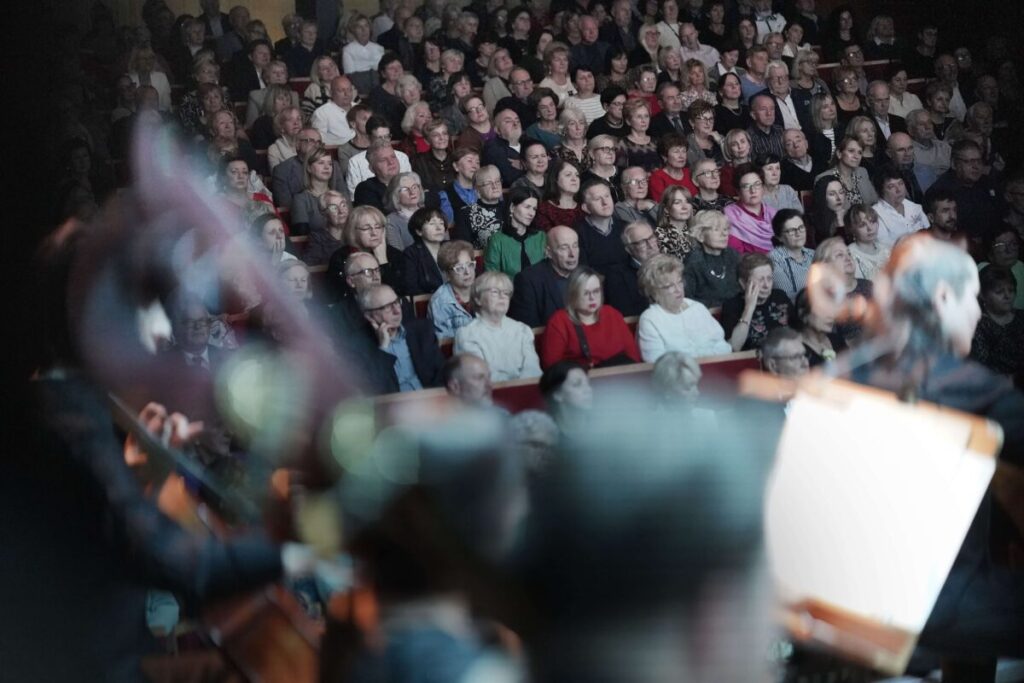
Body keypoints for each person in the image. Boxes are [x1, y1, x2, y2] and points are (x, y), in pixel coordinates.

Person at [843, 234, 1024, 676]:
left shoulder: (852, 381)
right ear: (943, 297)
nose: (980, 312)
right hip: (945, 614)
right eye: (974, 299)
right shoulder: (982, 397)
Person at [539, 266, 641, 368]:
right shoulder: (559, 321)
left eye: (596, 291)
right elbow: (551, 368)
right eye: (586, 293)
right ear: (573, 294)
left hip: (619, 378)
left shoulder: (612, 314)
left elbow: (633, 357)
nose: (592, 298)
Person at [636, 254, 731, 362]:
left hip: (714, 372)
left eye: (679, 282)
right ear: (653, 292)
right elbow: (656, 362)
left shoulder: (697, 308)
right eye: (669, 286)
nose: (678, 289)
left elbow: (724, 347)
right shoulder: (650, 319)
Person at [454, 271, 543, 381]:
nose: (502, 297)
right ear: (478, 299)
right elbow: (480, 378)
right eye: (495, 292)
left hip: (525, 393)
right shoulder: (467, 334)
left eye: (506, 293)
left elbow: (533, 372)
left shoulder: (522, 330)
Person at [358, 284, 444, 391]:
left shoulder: (422, 331)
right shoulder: (359, 347)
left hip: (429, 401)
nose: (397, 311)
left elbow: (441, 376)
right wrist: (383, 348)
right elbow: (376, 391)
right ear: (369, 316)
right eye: (388, 307)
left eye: (397, 302)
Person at [928, 139, 1006, 245]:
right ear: (954, 164)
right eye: (969, 161)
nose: (976, 166)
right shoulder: (939, 191)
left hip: (993, 245)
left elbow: (1001, 214)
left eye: (979, 161)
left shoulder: (988, 184)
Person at [510, 225, 580, 328]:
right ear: (549, 253)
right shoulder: (528, 280)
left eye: (575, 246)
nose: (572, 254)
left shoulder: (586, 275)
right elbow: (527, 330)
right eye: (564, 248)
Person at [721, 252, 793, 351]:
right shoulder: (732, 306)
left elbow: (800, 331)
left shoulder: (780, 296)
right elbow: (734, 347)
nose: (766, 285)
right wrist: (749, 308)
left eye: (769, 278)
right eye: (760, 280)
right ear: (743, 283)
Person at [813, 236, 872, 345]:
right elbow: (832, 343)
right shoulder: (824, 299)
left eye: (849, 253)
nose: (848, 258)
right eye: (840, 255)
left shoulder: (868, 285)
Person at [970, 266, 1024, 381]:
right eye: (999, 292)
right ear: (983, 295)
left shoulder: (1021, 317)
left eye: (1011, 290)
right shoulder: (979, 326)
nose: (1007, 296)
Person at [270, 128, 344, 211]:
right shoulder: (282, 171)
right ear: (297, 144)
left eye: (319, 142)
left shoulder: (333, 165)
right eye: (311, 141)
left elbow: (345, 198)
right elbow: (287, 208)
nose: (316, 145)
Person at [485, 187, 547, 278]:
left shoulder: (541, 237)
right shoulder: (497, 240)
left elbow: (547, 273)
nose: (532, 213)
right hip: (508, 291)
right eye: (527, 207)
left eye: (534, 209)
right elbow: (492, 278)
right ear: (512, 208)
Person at [575, 178, 630, 277]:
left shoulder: (627, 228)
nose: (605, 202)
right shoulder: (577, 234)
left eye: (607, 196)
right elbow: (583, 274)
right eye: (597, 199)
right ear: (586, 208)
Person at [346, 205, 406, 294]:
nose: (374, 233)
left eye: (378, 227)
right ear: (353, 231)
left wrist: (382, 260)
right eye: (366, 228)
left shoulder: (396, 255)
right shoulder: (342, 257)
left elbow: (398, 293)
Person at [428, 240, 477, 339]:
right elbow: (445, 344)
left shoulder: (484, 290)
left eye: (470, 265)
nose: (467, 272)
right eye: (459, 268)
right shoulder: (439, 302)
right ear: (447, 274)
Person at [724, 165, 778, 254]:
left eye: (757, 184)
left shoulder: (774, 214)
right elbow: (735, 256)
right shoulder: (730, 216)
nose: (753, 190)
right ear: (738, 191)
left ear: (763, 188)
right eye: (746, 186)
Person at [871, 166, 929, 247]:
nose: (898, 190)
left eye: (900, 183)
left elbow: (930, 235)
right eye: (891, 186)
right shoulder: (876, 214)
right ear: (880, 191)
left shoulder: (915, 207)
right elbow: (884, 249)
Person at [815, 136, 878, 210]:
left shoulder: (862, 172)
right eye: (851, 151)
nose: (856, 156)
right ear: (839, 154)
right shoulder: (823, 178)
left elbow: (874, 200)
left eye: (860, 152)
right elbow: (824, 212)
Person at [291, 145, 340, 236]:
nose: (327, 167)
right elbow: (302, 235)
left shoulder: (339, 196)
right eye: (321, 163)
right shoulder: (301, 199)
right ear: (309, 168)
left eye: (330, 164)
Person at [453, 165, 504, 250]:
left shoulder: (511, 207)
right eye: (488, 183)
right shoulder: (466, 213)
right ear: (477, 191)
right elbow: (463, 249)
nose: (495, 186)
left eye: (497, 181)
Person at [767, 208, 813, 303]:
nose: (798, 233)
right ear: (779, 237)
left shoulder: (814, 254)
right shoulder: (773, 260)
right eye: (791, 230)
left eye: (801, 227)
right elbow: (787, 298)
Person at [399, 206, 447, 296]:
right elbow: (411, 288)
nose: (439, 228)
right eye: (432, 224)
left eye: (441, 223)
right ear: (419, 231)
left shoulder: (452, 247)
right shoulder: (411, 254)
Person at [906, 108, 953, 193]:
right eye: (921, 124)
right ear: (911, 130)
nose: (927, 127)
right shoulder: (909, 151)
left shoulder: (944, 147)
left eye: (929, 122)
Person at [979, 228, 1024, 309]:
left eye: (1013, 243)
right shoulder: (982, 270)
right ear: (990, 252)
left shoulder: (1020, 266)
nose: (1008, 250)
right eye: (1001, 245)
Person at [845, 203, 890, 282]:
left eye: (872, 222)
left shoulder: (886, 249)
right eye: (862, 225)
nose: (870, 228)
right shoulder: (850, 255)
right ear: (852, 229)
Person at [306, 191, 351, 266]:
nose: (341, 211)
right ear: (324, 213)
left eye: (343, 205)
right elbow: (309, 266)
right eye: (334, 208)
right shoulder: (317, 238)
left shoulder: (356, 233)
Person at [537, 160, 584, 233]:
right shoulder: (544, 210)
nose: (574, 179)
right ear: (556, 179)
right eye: (568, 175)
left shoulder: (584, 208)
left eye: (577, 175)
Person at [310, 75, 357, 147]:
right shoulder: (321, 113)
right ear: (331, 93)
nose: (346, 94)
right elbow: (317, 143)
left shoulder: (359, 108)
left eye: (349, 90)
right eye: (341, 90)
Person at [383, 171, 425, 251]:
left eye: (414, 187)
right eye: (405, 189)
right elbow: (398, 254)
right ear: (395, 195)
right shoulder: (391, 221)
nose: (412, 192)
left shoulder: (432, 213)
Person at [654, 186, 696, 260]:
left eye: (687, 201)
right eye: (677, 203)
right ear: (666, 209)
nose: (684, 207)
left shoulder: (696, 232)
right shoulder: (659, 236)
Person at [686, 100, 725, 169]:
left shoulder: (721, 138)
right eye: (704, 119)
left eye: (711, 119)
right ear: (692, 122)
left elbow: (731, 159)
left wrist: (721, 142)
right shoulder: (686, 144)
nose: (708, 123)